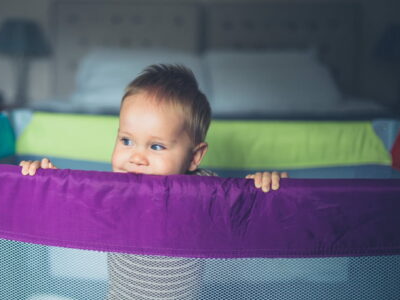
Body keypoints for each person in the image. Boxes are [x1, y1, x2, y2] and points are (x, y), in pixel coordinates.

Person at [20, 64, 288, 299]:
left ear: (194, 157)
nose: (136, 157)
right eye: (126, 141)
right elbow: (67, 205)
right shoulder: (112, 191)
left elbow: (248, 218)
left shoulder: (207, 192)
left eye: (156, 147)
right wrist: (46, 179)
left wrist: (262, 190)